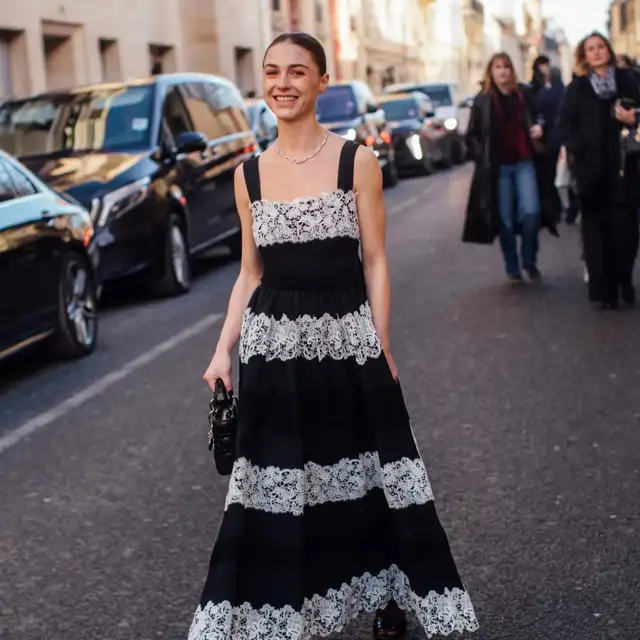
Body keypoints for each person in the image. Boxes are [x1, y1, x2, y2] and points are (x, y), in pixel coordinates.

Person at [189, 32, 479, 640]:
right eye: (271, 72)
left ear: (323, 82)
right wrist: (222, 351)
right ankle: (285, 612)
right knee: (285, 485)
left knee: (371, 474)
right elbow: (250, 272)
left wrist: (381, 340)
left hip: (348, 341)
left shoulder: (357, 161)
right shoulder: (249, 175)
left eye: (298, 71)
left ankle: (388, 594)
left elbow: (374, 260)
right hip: (272, 349)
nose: (282, 83)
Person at [557, 31, 640, 308]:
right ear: (584, 56)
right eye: (590, 49)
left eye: (600, 47)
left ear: (608, 50)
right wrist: (579, 148)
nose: (596, 52)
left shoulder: (628, 80)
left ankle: (624, 280)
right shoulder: (578, 88)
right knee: (596, 232)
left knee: (626, 230)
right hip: (591, 170)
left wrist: (633, 119)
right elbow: (564, 126)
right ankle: (604, 292)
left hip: (625, 166)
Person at [463, 52, 555, 283]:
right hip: (498, 168)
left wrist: (539, 127)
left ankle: (529, 259)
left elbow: (540, 117)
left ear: (512, 70)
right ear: (491, 72)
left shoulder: (524, 94)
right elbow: (472, 135)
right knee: (503, 219)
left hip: (525, 162)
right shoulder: (483, 100)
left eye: (506, 66)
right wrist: (481, 159)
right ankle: (512, 267)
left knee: (532, 212)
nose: (502, 71)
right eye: (497, 67)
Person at [530, 56, 565, 223]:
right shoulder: (564, 92)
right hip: (560, 137)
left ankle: (551, 209)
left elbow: (538, 112)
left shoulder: (542, 93)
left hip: (546, 138)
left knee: (547, 176)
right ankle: (560, 208)